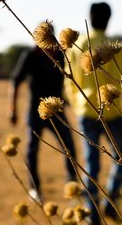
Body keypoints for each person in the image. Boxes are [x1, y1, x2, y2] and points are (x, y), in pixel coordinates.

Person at [65, 2, 122, 225]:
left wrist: (77, 104)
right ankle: (111, 203)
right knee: (121, 159)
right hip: (113, 111)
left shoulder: (76, 45)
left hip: (85, 111)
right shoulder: (113, 46)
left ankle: (93, 214)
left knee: (92, 163)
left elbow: (69, 81)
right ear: (109, 19)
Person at [9, 38, 78, 203]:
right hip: (35, 110)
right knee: (32, 150)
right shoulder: (31, 55)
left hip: (57, 109)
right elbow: (16, 81)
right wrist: (12, 109)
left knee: (69, 148)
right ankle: (34, 189)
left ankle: (72, 187)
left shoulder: (62, 55)